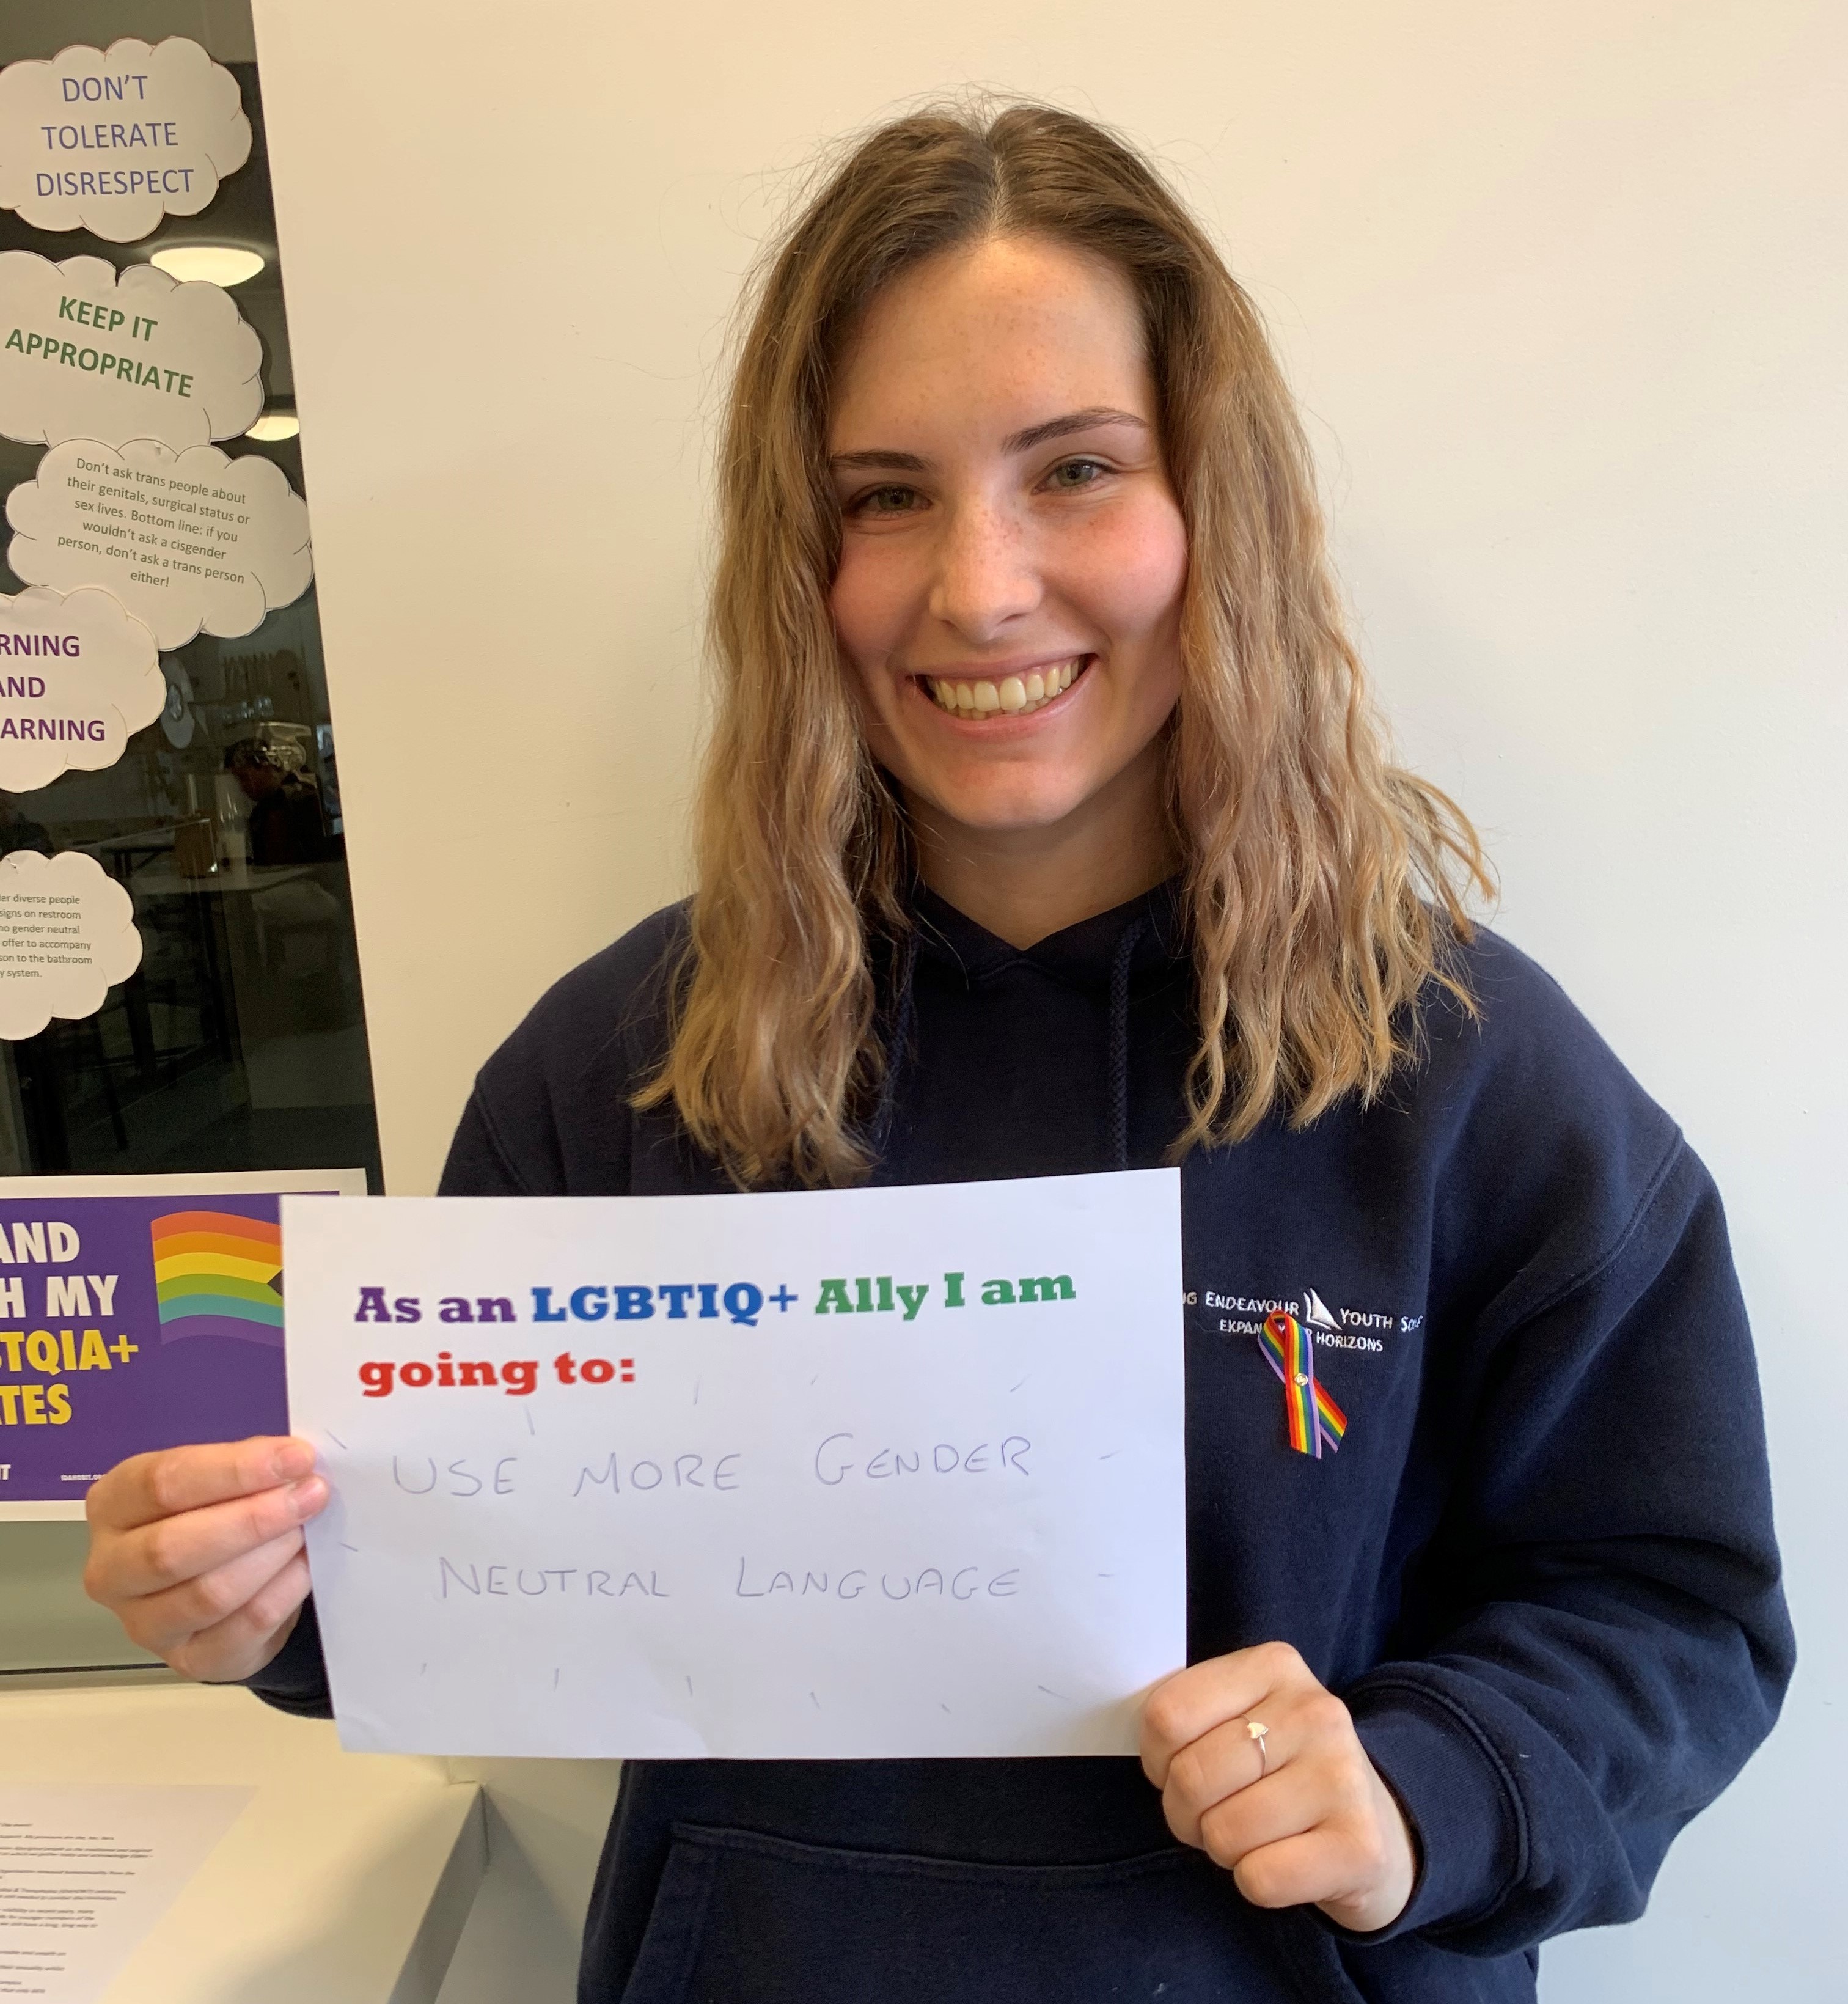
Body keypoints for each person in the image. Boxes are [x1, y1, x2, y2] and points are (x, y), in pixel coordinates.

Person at [80, 104, 1792, 2003]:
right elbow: (444, 1562)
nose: (978, 587)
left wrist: (1425, 1791)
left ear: (1212, 502)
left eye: (1073, 469)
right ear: (798, 554)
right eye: (885, 494)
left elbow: (1671, 1603)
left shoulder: (1466, 1075)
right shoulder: (628, 1070)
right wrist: (264, 1593)